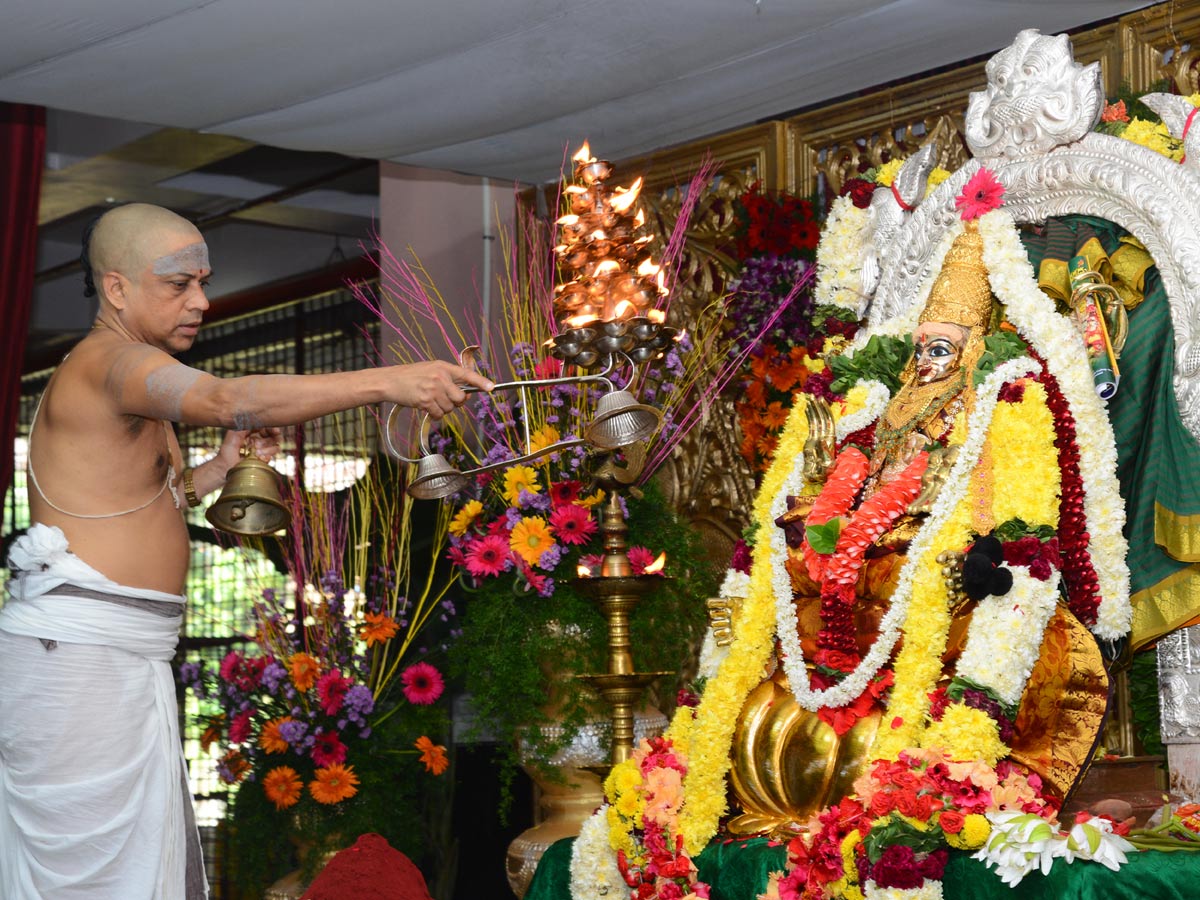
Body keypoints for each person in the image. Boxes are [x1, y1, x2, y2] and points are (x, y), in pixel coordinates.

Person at [0, 203, 493, 899]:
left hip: (116, 658)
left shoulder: (130, 379)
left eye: (203, 281)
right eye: (178, 284)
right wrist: (387, 381)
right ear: (116, 289)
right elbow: (231, 397)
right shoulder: (112, 364)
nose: (200, 301)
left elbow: (142, 504)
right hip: (80, 659)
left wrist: (213, 470)